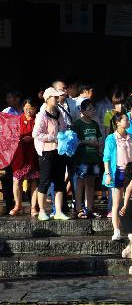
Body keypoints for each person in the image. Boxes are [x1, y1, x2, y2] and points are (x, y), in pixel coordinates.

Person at [32, 86, 69, 221]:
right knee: (45, 181)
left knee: (59, 182)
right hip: (46, 152)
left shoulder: (59, 112)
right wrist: (53, 137)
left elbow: (63, 128)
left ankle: (58, 211)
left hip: (59, 151)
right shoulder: (42, 114)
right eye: (54, 97)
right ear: (48, 99)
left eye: (57, 96)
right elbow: (36, 134)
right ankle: (42, 210)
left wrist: (66, 137)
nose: (57, 99)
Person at [103, 113, 132, 241]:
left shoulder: (131, 137)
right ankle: (116, 230)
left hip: (130, 173)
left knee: (128, 202)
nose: (128, 121)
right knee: (116, 203)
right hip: (117, 172)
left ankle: (129, 229)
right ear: (117, 122)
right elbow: (106, 158)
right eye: (125, 119)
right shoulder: (111, 138)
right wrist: (107, 173)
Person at [9, 98, 39, 217]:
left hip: (33, 154)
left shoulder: (38, 120)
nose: (28, 111)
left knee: (34, 181)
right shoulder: (17, 120)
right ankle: (18, 205)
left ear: (35, 109)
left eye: (31, 109)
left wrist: (32, 139)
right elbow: (10, 136)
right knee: (17, 181)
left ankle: (33, 207)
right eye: (26, 108)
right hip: (19, 155)